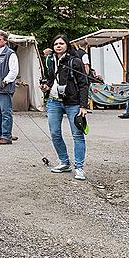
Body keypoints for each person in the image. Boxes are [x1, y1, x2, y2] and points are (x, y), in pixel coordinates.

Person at [41, 35, 89, 180]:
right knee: (55, 133)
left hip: (73, 102)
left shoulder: (75, 61)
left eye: (61, 43)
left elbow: (83, 84)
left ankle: (79, 167)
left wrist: (83, 106)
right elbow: (50, 78)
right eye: (56, 44)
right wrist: (46, 86)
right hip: (54, 101)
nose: (58, 46)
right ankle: (64, 162)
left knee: (77, 135)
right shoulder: (51, 61)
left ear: (67, 45)